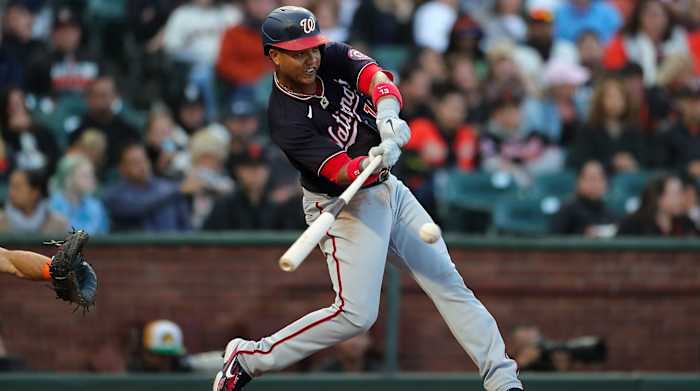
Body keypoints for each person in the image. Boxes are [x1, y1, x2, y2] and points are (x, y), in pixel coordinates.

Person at [213, 7, 523, 391]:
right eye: (298, 53)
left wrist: (388, 117)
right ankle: (247, 358)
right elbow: (342, 171)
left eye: (312, 48)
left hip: (388, 189)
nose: (311, 59)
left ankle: (503, 380)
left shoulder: (330, 56)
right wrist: (372, 162)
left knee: (448, 282)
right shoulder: (285, 118)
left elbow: (377, 78)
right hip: (344, 206)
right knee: (356, 316)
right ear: (274, 55)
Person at [203, 144, 302, 231]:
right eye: (248, 167)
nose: (254, 173)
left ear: (267, 171)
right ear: (238, 171)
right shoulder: (225, 205)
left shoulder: (280, 205)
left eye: (259, 167)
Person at [102, 143, 191, 232]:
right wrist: (177, 190)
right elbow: (138, 206)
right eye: (135, 163)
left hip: (172, 244)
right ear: (122, 168)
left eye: (144, 160)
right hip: (134, 245)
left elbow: (186, 227)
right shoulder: (114, 195)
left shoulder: (168, 188)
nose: (142, 166)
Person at [603, 0, 688, 86]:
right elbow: (615, 73)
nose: (654, 21)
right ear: (640, 17)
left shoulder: (677, 36)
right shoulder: (625, 42)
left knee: (680, 59)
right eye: (650, 15)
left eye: (658, 15)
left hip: (674, 90)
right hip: (635, 89)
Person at [570, 78, 645, 174]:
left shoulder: (634, 129)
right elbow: (579, 160)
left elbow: (643, 157)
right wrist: (612, 163)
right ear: (600, 101)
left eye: (619, 98)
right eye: (610, 97)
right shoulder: (588, 129)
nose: (614, 102)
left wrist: (631, 162)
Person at [68, 77, 142, 171]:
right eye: (96, 95)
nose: (100, 101)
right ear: (88, 99)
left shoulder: (129, 131)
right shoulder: (78, 133)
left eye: (104, 95)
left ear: (115, 97)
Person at [0, 86, 61, 175]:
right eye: (13, 104)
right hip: (16, 174)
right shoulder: (5, 134)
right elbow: (4, 163)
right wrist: (13, 131)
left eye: (20, 102)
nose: (18, 108)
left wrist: (30, 128)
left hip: (44, 173)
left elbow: (54, 154)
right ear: (6, 108)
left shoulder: (41, 129)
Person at [617, 174, 700, 236]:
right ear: (658, 198)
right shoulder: (632, 225)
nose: (682, 199)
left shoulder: (686, 223)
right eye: (677, 194)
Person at [550, 160, 617, 236]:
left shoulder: (610, 212)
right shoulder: (566, 210)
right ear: (579, 182)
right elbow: (554, 241)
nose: (595, 184)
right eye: (591, 178)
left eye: (599, 179)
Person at [49, 154, 109, 234]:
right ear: (68, 179)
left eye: (92, 175)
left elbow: (104, 237)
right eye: (85, 176)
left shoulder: (96, 206)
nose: (92, 180)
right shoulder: (51, 205)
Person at [0, 168, 68, 234]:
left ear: (34, 192)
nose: (11, 192)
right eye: (11, 187)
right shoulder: (2, 222)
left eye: (17, 187)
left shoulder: (58, 224)